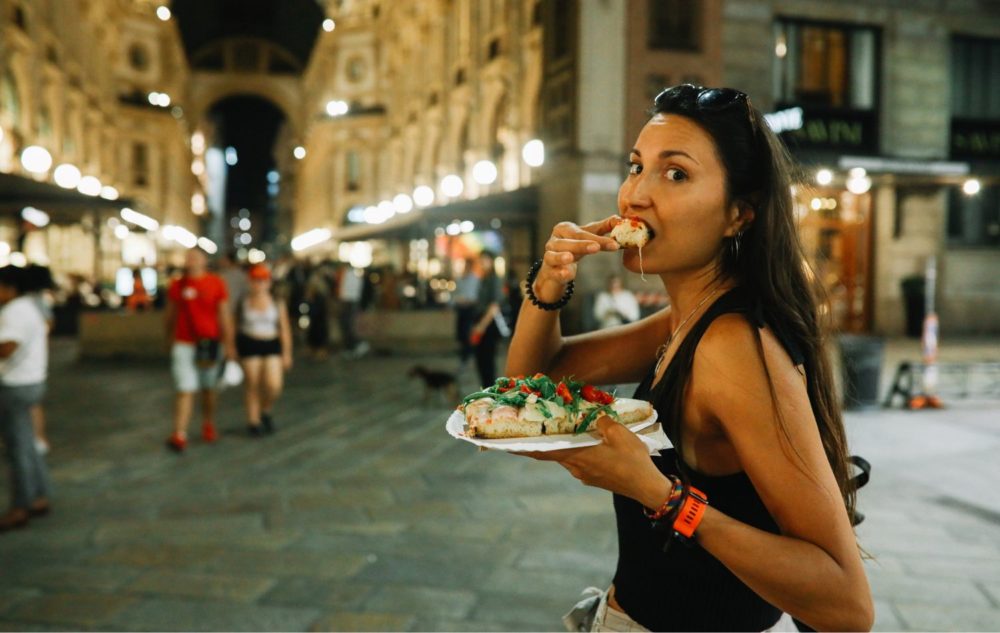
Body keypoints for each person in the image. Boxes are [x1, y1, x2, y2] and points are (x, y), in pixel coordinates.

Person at [506, 84, 873, 631]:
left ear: (738, 215)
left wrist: (657, 493)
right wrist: (550, 280)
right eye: (636, 167)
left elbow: (847, 605)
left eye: (675, 173)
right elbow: (531, 383)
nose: (635, 195)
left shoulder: (731, 347)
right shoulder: (687, 318)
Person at [164, 248, 236, 452]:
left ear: (204, 260)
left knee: (208, 389)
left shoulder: (216, 283)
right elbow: (170, 314)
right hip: (184, 343)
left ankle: (208, 422)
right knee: (185, 388)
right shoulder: (177, 285)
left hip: (210, 344)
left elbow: (224, 315)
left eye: (195, 257)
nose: (191, 261)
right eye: (188, 257)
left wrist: (229, 345)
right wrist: (168, 338)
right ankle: (179, 433)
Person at [0, 266, 52, 531]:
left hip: (16, 384)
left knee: (17, 447)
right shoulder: (31, 306)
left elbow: (8, 347)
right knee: (29, 443)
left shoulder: (14, 312)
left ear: (9, 287)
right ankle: (40, 495)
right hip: (33, 380)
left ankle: (21, 506)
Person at [236, 264, 292, 436]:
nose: (259, 284)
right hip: (250, 342)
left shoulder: (276, 301)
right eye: (255, 280)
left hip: (271, 343)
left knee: (274, 385)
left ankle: (265, 409)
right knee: (252, 383)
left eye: (262, 280)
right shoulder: (243, 301)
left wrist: (287, 352)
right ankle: (253, 421)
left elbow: (284, 328)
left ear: (268, 282)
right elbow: (235, 324)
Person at [469, 250, 505, 388]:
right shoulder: (483, 279)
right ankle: (485, 390)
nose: (482, 263)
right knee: (481, 361)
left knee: (487, 362)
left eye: (485, 260)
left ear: (491, 261)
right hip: (481, 321)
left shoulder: (495, 279)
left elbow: (494, 306)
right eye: (481, 260)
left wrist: (481, 326)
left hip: (488, 324)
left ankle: (489, 392)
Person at [453, 257, 480, 370]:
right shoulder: (460, 279)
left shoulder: (475, 279)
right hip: (461, 309)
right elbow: (456, 293)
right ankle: (465, 356)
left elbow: (474, 296)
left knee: (467, 334)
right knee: (460, 334)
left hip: (470, 309)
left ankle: (467, 357)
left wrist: (466, 300)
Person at [336, 263, 369, 358]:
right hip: (348, 302)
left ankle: (354, 346)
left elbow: (347, 292)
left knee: (348, 326)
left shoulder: (350, 276)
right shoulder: (351, 275)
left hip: (348, 303)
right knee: (347, 326)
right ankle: (351, 347)